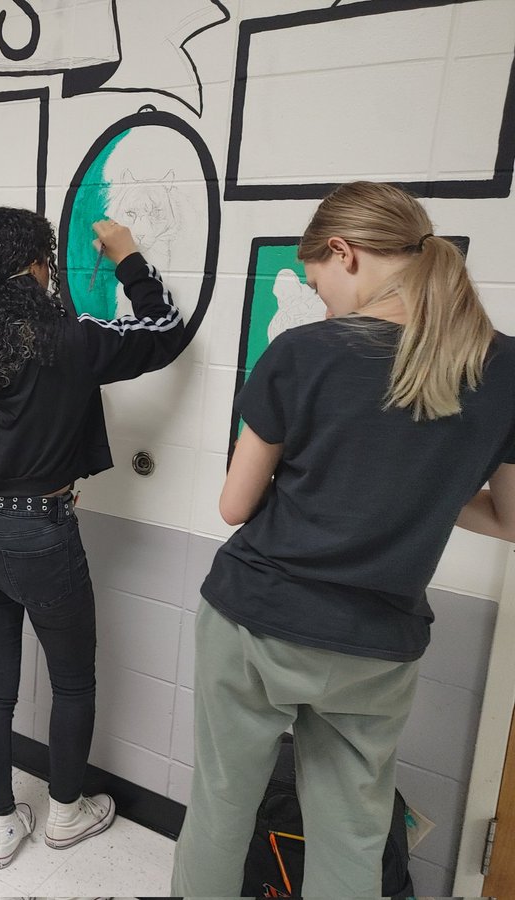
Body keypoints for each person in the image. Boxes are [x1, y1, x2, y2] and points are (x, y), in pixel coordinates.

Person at [170, 182, 515, 897]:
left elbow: (235, 504)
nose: (322, 299)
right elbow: (508, 519)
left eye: (317, 279)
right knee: (353, 832)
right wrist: (417, 490)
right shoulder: (503, 368)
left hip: (256, 621)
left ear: (344, 252)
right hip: (376, 646)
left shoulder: (304, 353)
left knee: (221, 810)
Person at [0, 207, 186, 869]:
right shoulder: (69, 340)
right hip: (38, 535)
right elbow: (164, 333)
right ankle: (66, 815)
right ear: (38, 265)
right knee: (73, 684)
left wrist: (2, 474)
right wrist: (127, 255)